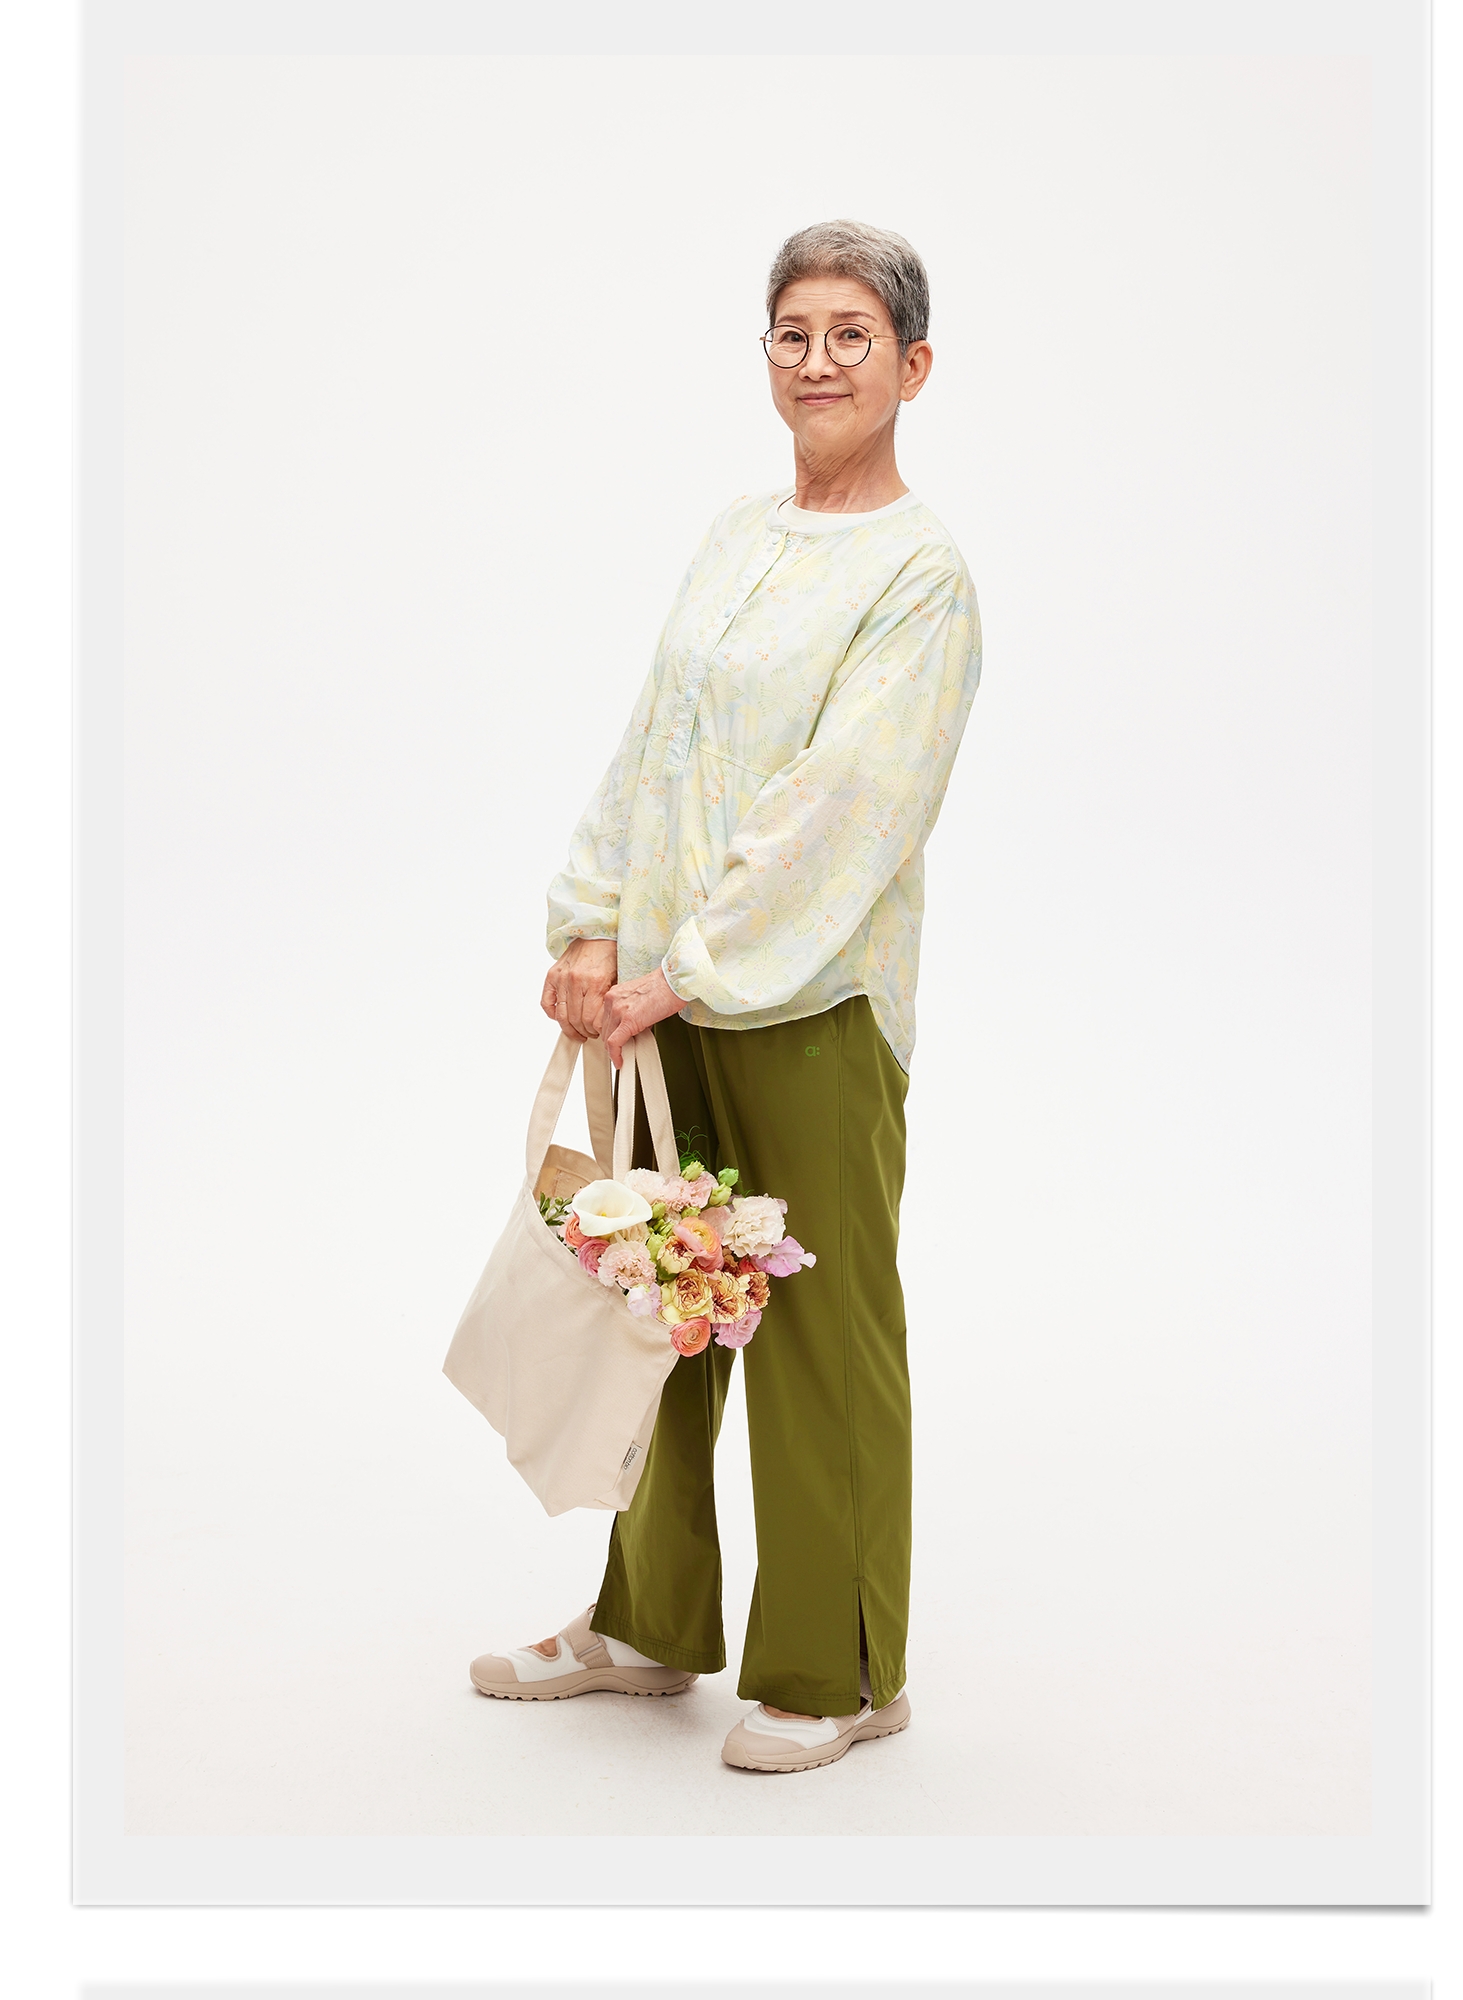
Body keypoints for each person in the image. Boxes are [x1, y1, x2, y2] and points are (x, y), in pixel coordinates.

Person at [468, 219, 982, 1774]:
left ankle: (843, 1667)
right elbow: (656, 744)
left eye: (851, 335)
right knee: (657, 1311)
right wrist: (589, 925)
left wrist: (681, 974)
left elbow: (847, 807)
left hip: (804, 1011)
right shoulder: (735, 533)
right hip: (656, 1000)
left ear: (913, 365)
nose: (819, 361)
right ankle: (650, 1622)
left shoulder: (922, 578)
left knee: (820, 1335)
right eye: (792, 333)